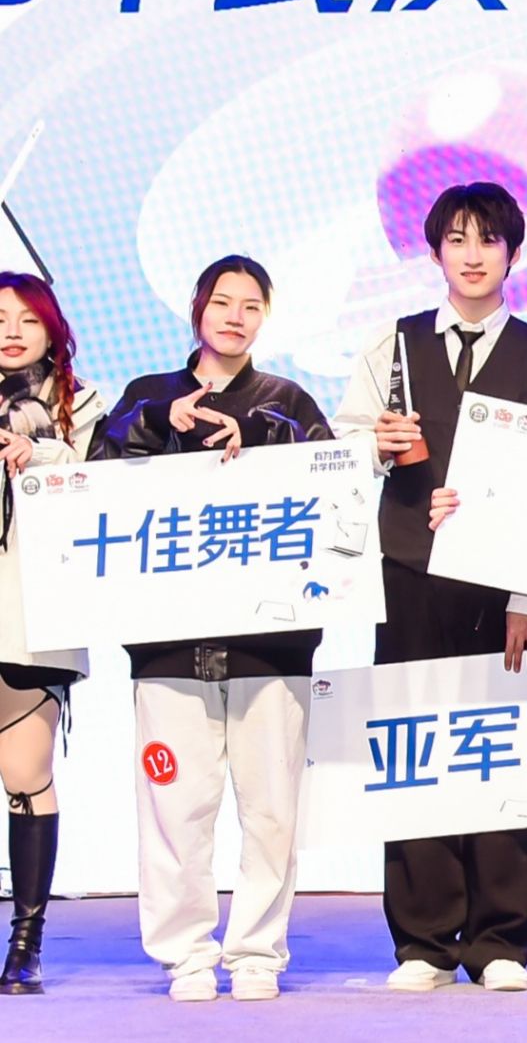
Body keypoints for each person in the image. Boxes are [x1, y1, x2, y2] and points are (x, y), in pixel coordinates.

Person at [335, 181, 527, 994]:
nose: (473, 256)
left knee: (503, 753)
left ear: (513, 253)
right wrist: (376, 444)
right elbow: (341, 449)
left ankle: (501, 938)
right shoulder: (391, 345)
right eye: (457, 240)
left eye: (488, 241)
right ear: (434, 252)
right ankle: (425, 942)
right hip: (408, 576)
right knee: (416, 750)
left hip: (500, 590)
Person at [92, 255, 332, 1003]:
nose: (235, 316)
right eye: (222, 302)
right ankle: (186, 955)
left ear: (266, 317)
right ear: (196, 309)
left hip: (271, 645)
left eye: (250, 305)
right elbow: (94, 475)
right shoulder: (146, 397)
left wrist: (253, 443)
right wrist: (160, 424)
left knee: (272, 808)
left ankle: (257, 951)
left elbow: (332, 490)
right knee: (175, 808)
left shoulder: (287, 402)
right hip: (168, 644)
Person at [0, 273, 105, 994]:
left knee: (24, 774)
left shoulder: (82, 403)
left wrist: (36, 452)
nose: (11, 331)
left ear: (51, 329)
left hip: (32, 612)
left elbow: (102, 482)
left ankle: (26, 943)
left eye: (26, 319)